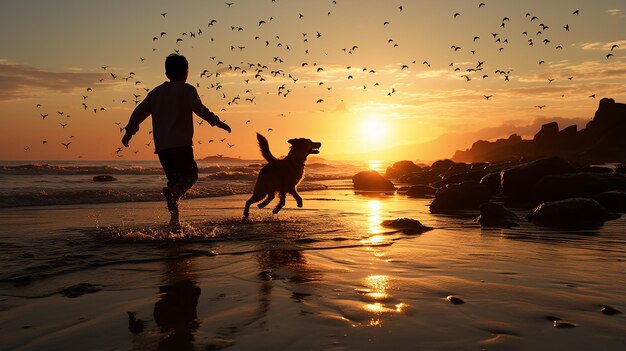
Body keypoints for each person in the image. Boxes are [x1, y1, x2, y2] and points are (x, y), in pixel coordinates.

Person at [122, 54, 231, 228]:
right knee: (190, 176)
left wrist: (130, 131)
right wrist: (216, 121)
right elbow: (198, 108)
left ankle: (174, 223)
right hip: (181, 144)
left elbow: (139, 112)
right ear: (186, 72)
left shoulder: (156, 93)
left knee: (174, 184)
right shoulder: (187, 90)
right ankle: (174, 204)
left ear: (166, 73)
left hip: (162, 147)